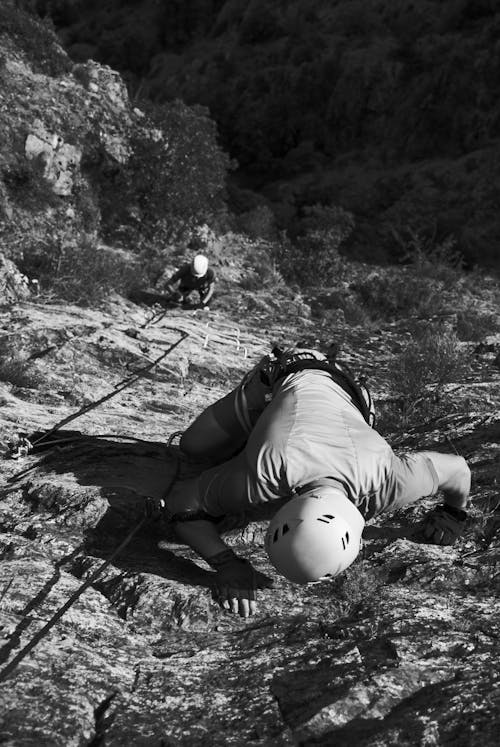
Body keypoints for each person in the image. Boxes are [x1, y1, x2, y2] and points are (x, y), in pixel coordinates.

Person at [159, 348, 471, 618]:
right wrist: (226, 563)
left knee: (207, 449)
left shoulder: (389, 480)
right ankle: (259, 407)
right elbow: (181, 503)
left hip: (345, 390)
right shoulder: (268, 474)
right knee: (193, 447)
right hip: (288, 374)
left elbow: (457, 470)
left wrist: (453, 515)